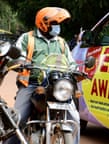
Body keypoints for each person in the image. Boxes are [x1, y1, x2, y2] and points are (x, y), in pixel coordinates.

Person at [3, 7, 80, 144]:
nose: (57, 27)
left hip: (56, 86)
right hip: (31, 85)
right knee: (16, 121)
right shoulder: (28, 38)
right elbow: (15, 56)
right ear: (43, 24)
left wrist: (76, 70)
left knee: (75, 120)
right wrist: (20, 63)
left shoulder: (61, 42)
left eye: (58, 24)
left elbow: (71, 63)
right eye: (54, 24)